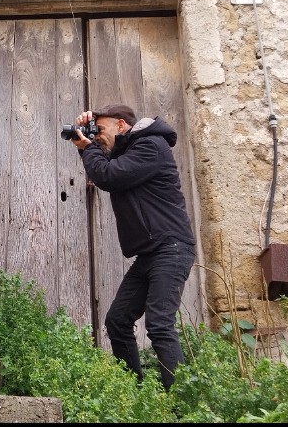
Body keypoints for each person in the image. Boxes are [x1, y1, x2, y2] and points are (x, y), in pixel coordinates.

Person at [71, 104, 196, 391]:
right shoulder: (129, 153)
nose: (98, 136)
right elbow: (107, 167)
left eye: (101, 130)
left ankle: (183, 406)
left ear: (122, 125)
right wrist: (87, 144)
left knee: (160, 325)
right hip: (151, 253)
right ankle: (137, 396)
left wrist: (87, 148)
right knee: (118, 321)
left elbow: (108, 176)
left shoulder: (151, 146)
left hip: (171, 248)